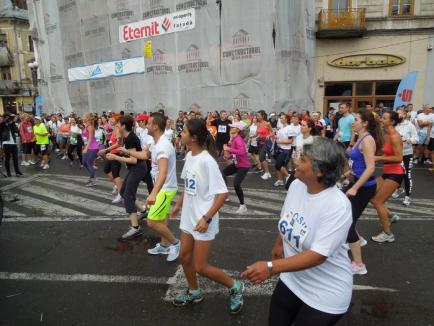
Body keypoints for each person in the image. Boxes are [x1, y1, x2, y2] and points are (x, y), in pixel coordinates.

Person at [242, 137, 352, 326]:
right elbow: (289, 217)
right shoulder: (297, 185)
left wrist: (270, 267)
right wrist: (278, 243)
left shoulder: (337, 205)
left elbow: (318, 255)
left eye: (303, 158)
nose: (295, 160)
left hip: (325, 293)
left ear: (319, 171)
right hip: (292, 279)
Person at [170, 118, 244, 314]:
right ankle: (195, 292)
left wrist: (207, 218)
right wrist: (178, 205)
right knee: (184, 256)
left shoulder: (207, 161)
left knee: (201, 266)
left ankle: (235, 286)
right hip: (189, 217)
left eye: (183, 132)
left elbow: (222, 194)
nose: (181, 135)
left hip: (204, 219)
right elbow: (188, 186)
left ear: (193, 138)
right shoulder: (190, 156)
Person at [345, 109, 381, 275]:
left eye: (356, 119)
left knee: (348, 224)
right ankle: (358, 239)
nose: (353, 122)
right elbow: (355, 161)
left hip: (364, 187)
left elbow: (371, 167)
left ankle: (359, 265)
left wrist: (355, 187)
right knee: (344, 215)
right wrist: (346, 175)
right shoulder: (361, 137)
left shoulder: (367, 140)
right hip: (357, 182)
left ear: (365, 123)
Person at [145, 112, 180, 262]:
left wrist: (153, 193)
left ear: (155, 126)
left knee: (151, 221)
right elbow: (145, 155)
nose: (146, 126)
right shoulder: (159, 143)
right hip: (165, 188)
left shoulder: (162, 147)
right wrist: (124, 151)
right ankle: (165, 245)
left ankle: (176, 244)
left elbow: (163, 172)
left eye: (148, 123)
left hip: (165, 189)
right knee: (161, 218)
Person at [107, 115, 147, 240]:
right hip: (135, 168)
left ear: (124, 126)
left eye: (118, 124)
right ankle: (143, 210)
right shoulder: (127, 136)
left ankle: (135, 228)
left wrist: (116, 157)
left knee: (128, 195)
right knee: (124, 192)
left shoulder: (130, 138)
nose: (116, 126)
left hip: (137, 168)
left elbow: (134, 160)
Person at [371, 111, 404, 243]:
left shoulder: (395, 136)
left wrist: (378, 157)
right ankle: (390, 215)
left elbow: (398, 158)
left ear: (392, 122)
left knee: (378, 202)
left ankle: (388, 234)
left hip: (396, 173)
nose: (381, 120)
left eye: (385, 118)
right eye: (382, 117)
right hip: (387, 172)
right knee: (371, 196)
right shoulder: (386, 134)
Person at [222, 121, 250, 214]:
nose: (230, 128)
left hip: (243, 166)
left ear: (237, 130)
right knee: (223, 173)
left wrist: (228, 149)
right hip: (237, 164)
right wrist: (228, 156)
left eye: (233, 127)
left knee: (236, 184)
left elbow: (242, 152)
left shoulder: (238, 139)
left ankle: (243, 206)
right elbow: (235, 153)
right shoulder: (234, 139)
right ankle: (225, 194)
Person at [394, 108, 419, 206]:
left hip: (407, 154)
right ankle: (398, 189)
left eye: (399, 114)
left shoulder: (410, 125)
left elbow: (416, 138)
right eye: (396, 114)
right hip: (396, 154)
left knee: (406, 175)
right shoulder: (394, 125)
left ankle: (407, 197)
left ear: (404, 115)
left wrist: (410, 140)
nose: (397, 116)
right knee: (397, 173)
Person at [273, 114, 294, 186]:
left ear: (286, 119)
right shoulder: (281, 128)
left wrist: (280, 141)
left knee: (277, 165)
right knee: (280, 166)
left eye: (282, 118)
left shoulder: (290, 128)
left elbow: (291, 141)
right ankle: (280, 180)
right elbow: (277, 138)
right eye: (280, 118)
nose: (280, 119)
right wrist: (274, 136)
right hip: (279, 149)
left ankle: (288, 176)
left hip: (286, 150)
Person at [81, 113, 99, 187]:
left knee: (89, 163)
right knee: (84, 162)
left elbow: (91, 138)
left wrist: (86, 148)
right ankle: (93, 176)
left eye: (84, 117)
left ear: (87, 118)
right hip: (88, 147)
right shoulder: (86, 126)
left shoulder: (90, 127)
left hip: (93, 147)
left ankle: (93, 180)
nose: (82, 118)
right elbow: (86, 138)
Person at [256, 110, 273, 180]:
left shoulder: (267, 123)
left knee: (261, 157)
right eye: (256, 116)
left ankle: (266, 172)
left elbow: (272, 132)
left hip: (266, 142)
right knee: (262, 158)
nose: (257, 117)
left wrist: (269, 135)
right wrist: (254, 137)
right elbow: (258, 133)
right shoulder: (258, 123)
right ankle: (268, 173)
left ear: (263, 116)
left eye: (258, 116)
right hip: (260, 142)